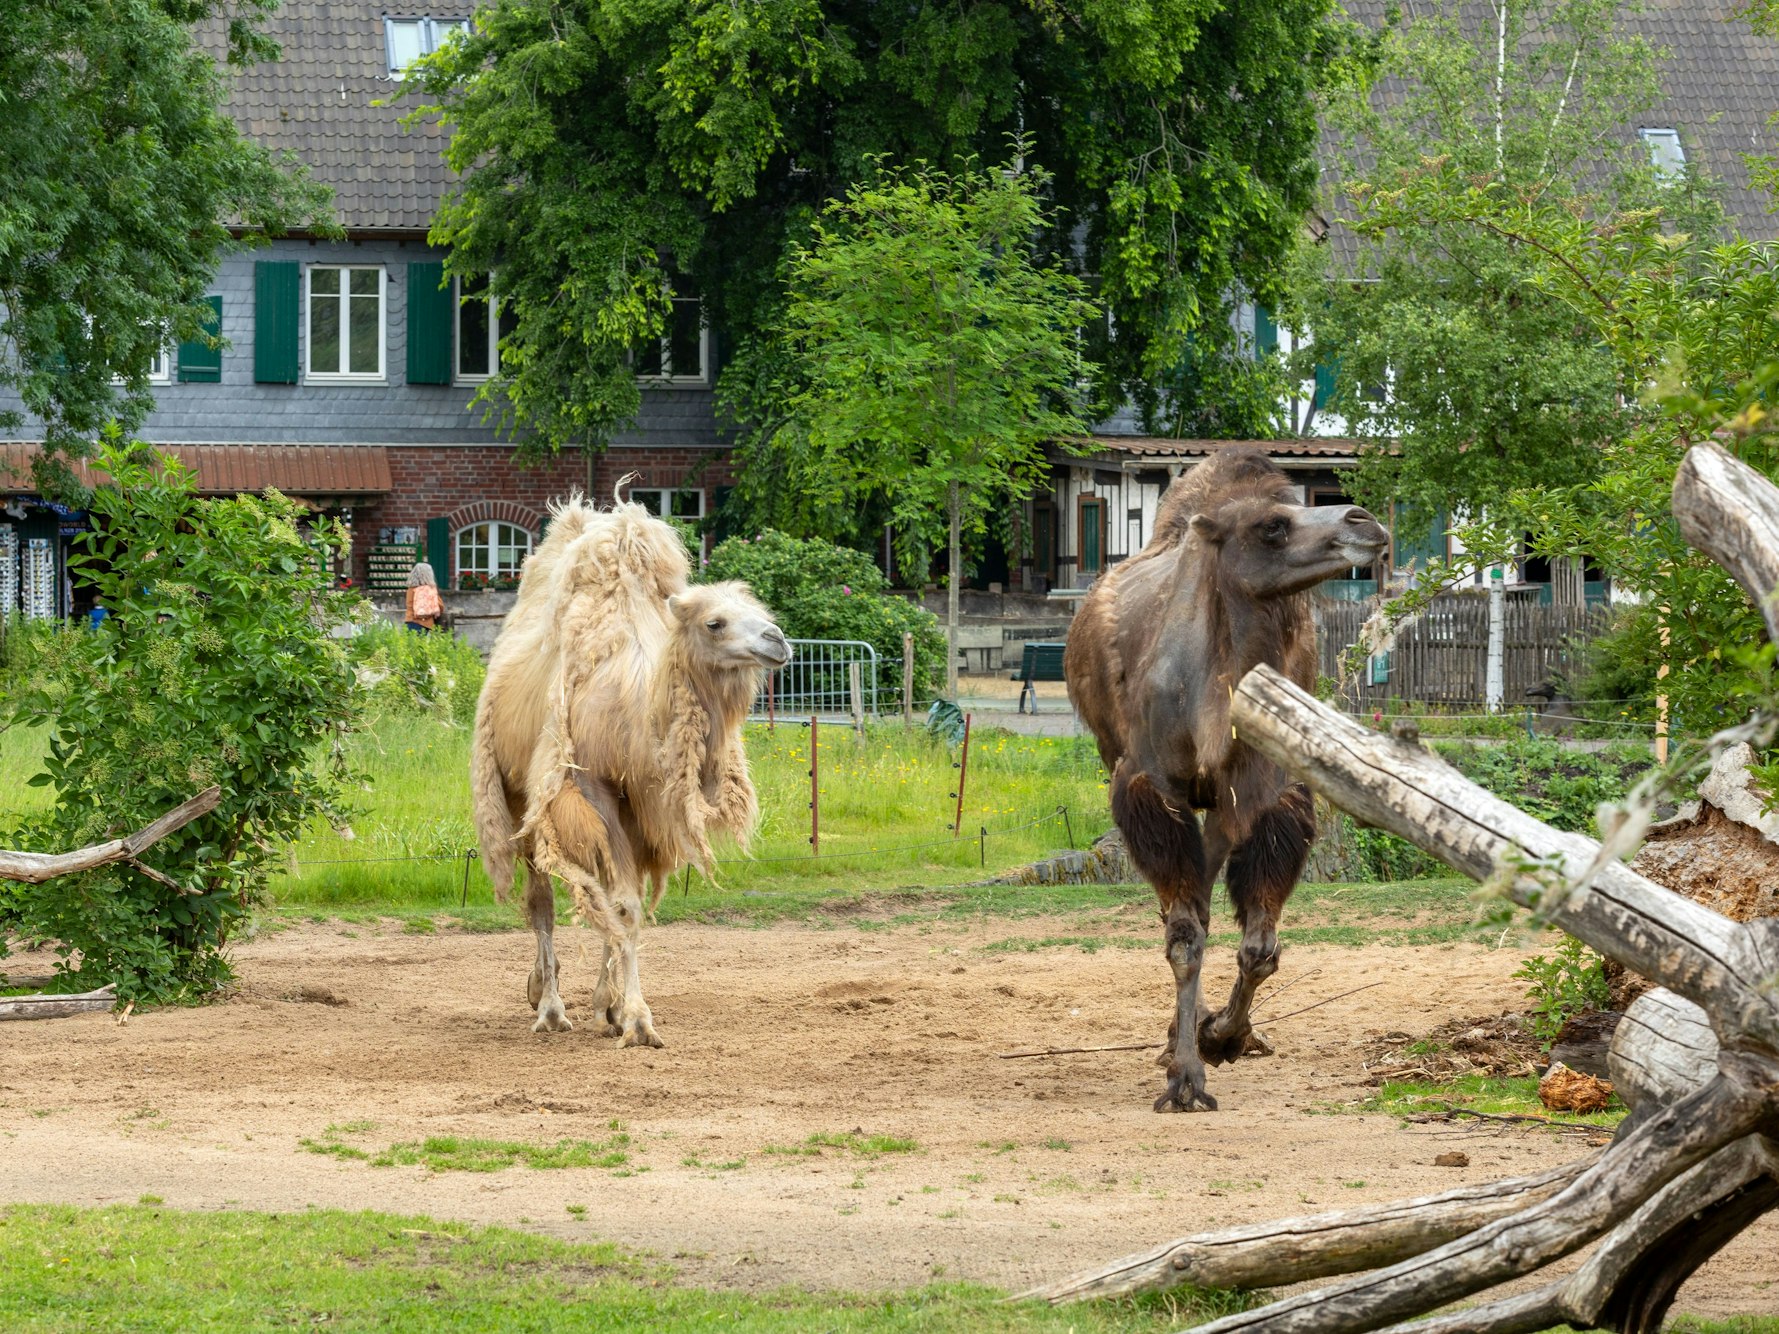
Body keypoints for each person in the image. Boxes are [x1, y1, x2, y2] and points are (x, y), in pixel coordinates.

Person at [405, 561, 443, 632]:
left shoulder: (410, 589)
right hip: (425, 623)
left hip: (410, 620)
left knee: (411, 639)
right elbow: (440, 605)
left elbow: (409, 604)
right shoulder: (430, 590)